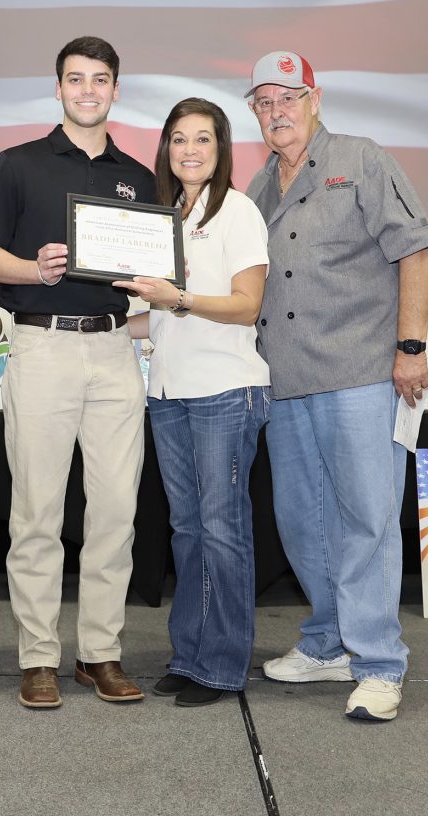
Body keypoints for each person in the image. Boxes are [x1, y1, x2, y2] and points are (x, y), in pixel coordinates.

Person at [244, 51, 428, 722]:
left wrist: (410, 347)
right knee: (302, 523)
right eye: (265, 102)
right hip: (285, 383)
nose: (278, 112)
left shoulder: (362, 159)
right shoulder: (257, 190)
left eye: (288, 97)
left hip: (361, 373)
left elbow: (417, 249)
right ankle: (328, 642)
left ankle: (380, 664)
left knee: (367, 520)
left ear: (315, 98)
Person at [0, 36, 155, 709]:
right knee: (38, 512)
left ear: (114, 89)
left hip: (114, 352)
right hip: (43, 350)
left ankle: (100, 653)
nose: (87, 90)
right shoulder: (17, 164)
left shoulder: (139, 176)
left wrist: (156, 278)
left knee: (114, 513)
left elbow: (151, 276)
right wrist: (33, 270)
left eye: (100, 79)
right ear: (58, 88)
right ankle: (39, 657)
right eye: (75, 79)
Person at [114, 98, 270, 707]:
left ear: (221, 147)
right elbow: (156, 317)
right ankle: (190, 653)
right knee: (185, 528)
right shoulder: (160, 215)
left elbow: (246, 304)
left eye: (202, 139)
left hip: (227, 390)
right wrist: (101, 322)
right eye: (179, 139)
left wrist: (177, 298)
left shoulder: (240, 211)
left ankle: (225, 665)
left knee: (222, 528)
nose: (190, 150)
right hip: (169, 393)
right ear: (166, 149)